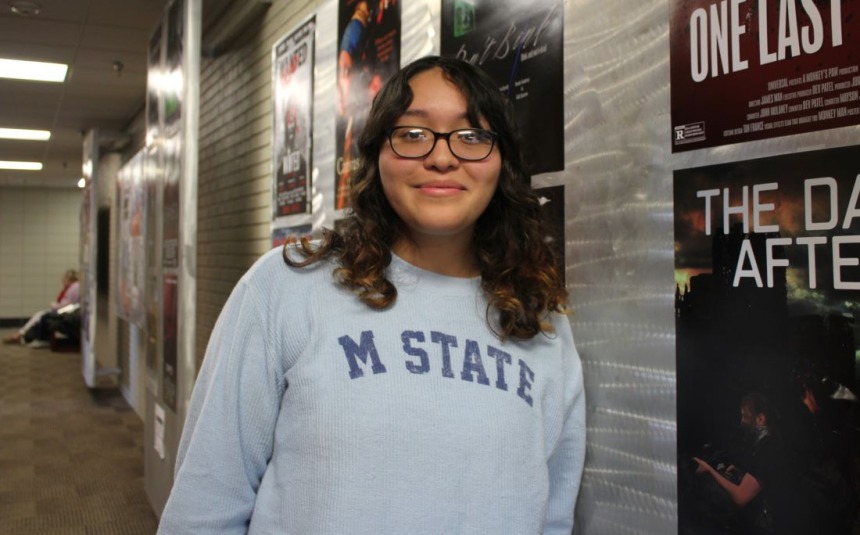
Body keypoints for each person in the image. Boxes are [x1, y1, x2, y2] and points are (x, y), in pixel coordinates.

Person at [157, 56, 585, 534]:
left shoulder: (539, 319)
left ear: (501, 160)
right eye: (413, 133)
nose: (442, 157)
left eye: (471, 136)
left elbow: (551, 518)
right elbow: (204, 507)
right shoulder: (287, 288)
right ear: (377, 154)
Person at [693, 393, 791, 534]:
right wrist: (741, 473)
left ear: (760, 419)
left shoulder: (768, 449)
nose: (742, 422)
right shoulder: (768, 442)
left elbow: (740, 497)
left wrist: (709, 470)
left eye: (745, 416)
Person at [3, 269, 80, 346]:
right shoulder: (71, 287)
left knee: (41, 316)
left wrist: (54, 305)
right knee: (39, 315)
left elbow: (67, 304)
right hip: (64, 310)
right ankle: (23, 335)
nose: (63, 280)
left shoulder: (74, 287)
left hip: (64, 311)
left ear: (69, 279)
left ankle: (22, 335)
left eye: (64, 278)